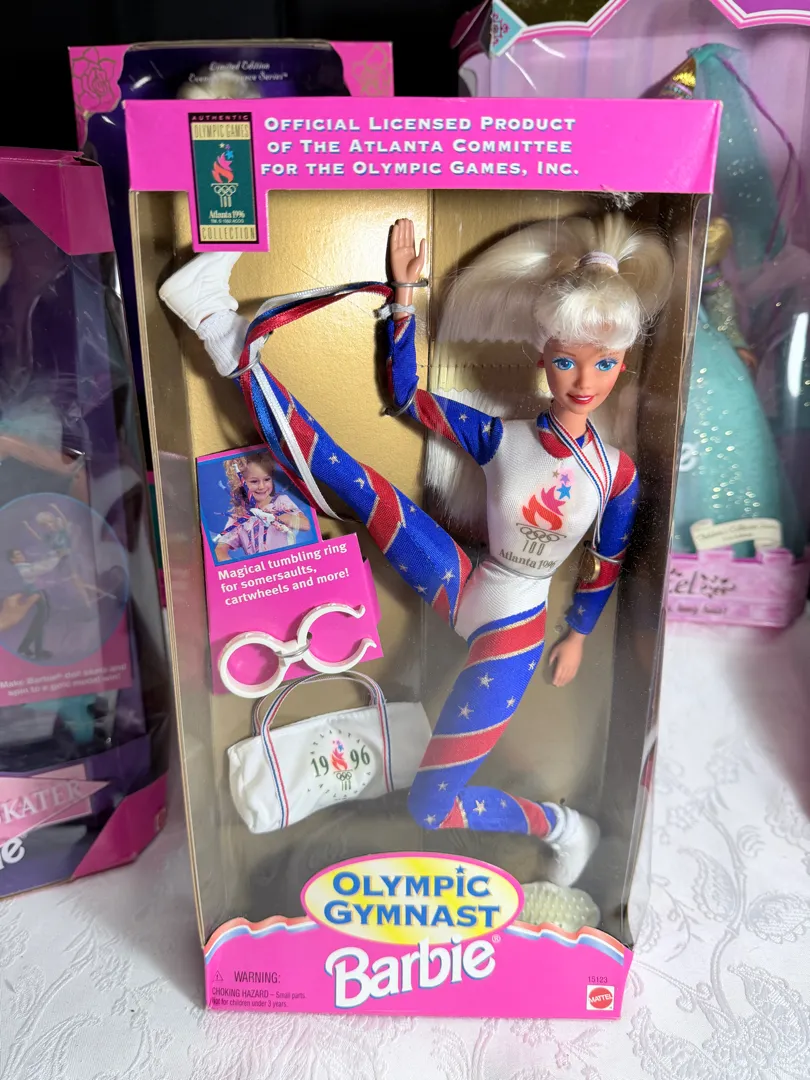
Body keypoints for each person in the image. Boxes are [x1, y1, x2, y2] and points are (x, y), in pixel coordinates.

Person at [159, 212, 672, 886]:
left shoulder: (616, 474)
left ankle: (563, 826)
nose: (584, 380)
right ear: (543, 356)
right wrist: (402, 300)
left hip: (513, 628)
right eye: (567, 360)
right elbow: (406, 397)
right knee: (345, 474)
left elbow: (606, 562)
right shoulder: (500, 437)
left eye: (603, 363)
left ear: (622, 364)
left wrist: (577, 633)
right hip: (464, 581)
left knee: (431, 806)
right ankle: (215, 323)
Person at [212, 450, 310, 560]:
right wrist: (237, 568)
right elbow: (219, 550)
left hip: (286, 563)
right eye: (254, 481)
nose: (262, 486)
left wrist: (276, 517)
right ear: (240, 483)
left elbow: (306, 525)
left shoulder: (281, 502)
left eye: (267, 479)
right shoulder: (239, 516)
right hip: (260, 569)